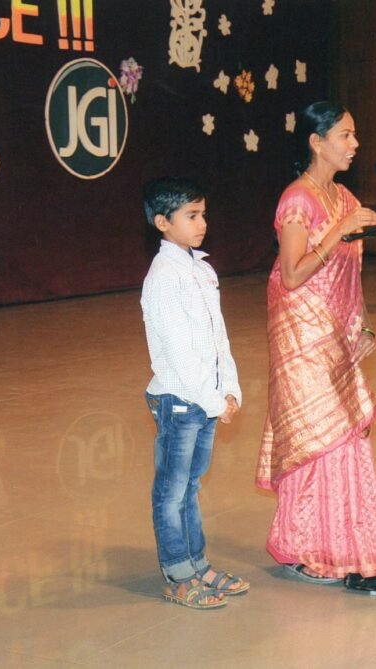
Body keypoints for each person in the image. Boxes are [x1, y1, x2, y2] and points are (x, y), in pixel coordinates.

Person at [256, 101, 376, 584]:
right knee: (317, 437)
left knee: (343, 437)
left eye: (354, 135)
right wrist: (340, 230)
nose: (355, 144)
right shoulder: (297, 200)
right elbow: (292, 275)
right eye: (345, 135)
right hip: (302, 332)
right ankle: (304, 547)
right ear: (317, 142)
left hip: (337, 333)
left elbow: (350, 274)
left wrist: (364, 326)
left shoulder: (344, 196)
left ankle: (340, 541)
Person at [140, 177, 248, 609]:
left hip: (205, 400)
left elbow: (218, 339)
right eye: (191, 215)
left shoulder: (201, 269)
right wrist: (213, 400)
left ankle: (198, 565)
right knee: (171, 492)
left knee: (190, 486)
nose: (202, 223)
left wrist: (230, 388)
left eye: (203, 214)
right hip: (180, 401)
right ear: (163, 222)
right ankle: (178, 574)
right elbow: (179, 352)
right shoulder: (164, 276)